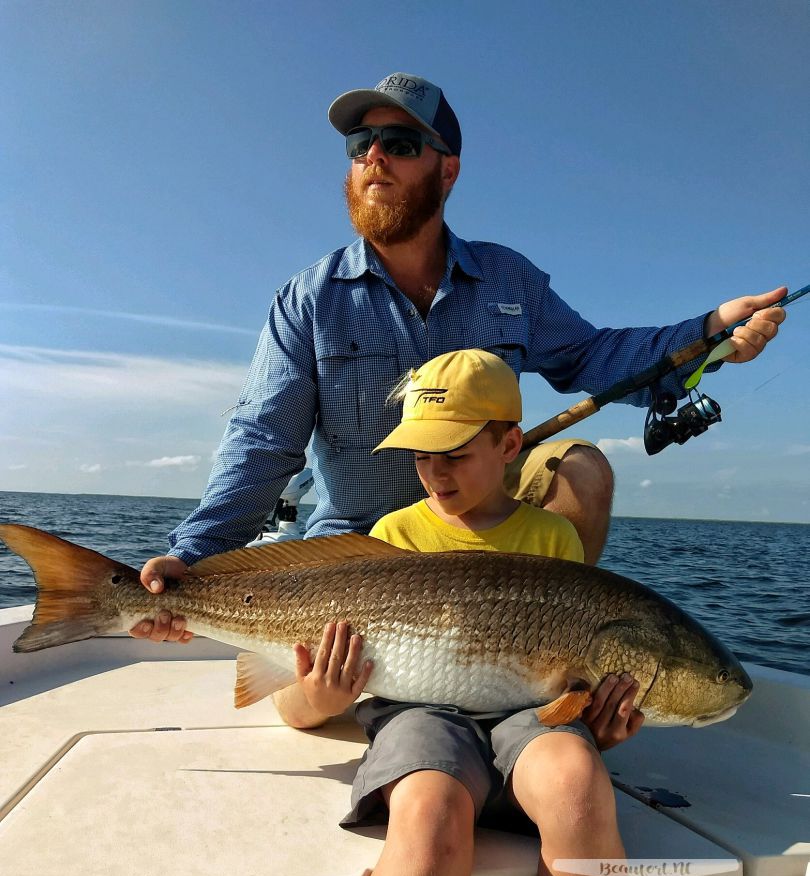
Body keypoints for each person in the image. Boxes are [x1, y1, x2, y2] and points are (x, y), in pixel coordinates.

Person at [130, 69, 786, 651]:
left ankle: (555, 664)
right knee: (313, 704)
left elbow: (594, 356)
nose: (375, 158)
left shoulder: (510, 280)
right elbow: (264, 441)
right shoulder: (307, 300)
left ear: (448, 169)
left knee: (582, 468)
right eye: (361, 147)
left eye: (401, 144)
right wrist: (194, 555)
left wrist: (709, 333)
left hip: (486, 554)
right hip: (361, 550)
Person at [274, 348, 642, 876]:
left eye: (456, 452)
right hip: (420, 711)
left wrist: (599, 723)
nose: (436, 473)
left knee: (576, 781)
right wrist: (325, 694)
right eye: (420, 455)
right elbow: (294, 706)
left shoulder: (554, 541)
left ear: (511, 445)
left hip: (527, 715)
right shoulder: (391, 539)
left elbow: (565, 683)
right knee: (431, 811)